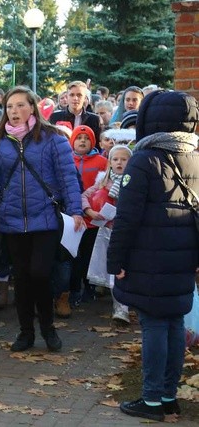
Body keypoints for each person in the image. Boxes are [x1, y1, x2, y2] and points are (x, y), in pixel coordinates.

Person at [108, 91, 199, 422]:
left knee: (154, 325)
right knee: (174, 323)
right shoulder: (195, 157)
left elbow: (126, 218)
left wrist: (114, 262)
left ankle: (151, 400)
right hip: (183, 256)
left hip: (149, 258)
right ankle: (168, 396)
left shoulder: (143, 160)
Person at [0, 87, 84, 353]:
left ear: (33, 108)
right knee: (22, 279)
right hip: (11, 221)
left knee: (40, 273)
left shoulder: (52, 139)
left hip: (45, 219)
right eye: (10, 107)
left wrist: (75, 210)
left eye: (20, 106)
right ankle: (26, 332)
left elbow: (68, 178)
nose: (14, 112)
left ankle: (48, 328)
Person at [82, 144, 132, 323]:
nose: (119, 163)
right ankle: (120, 308)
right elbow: (85, 196)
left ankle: (130, 302)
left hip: (129, 232)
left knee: (130, 268)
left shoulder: (135, 181)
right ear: (109, 162)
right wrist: (89, 211)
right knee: (114, 271)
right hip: (108, 232)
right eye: (115, 159)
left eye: (124, 159)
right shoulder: (102, 181)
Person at [67, 125, 108, 311]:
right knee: (74, 255)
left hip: (93, 217)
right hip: (74, 217)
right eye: (78, 137)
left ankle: (89, 286)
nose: (82, 141)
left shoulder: (101, 161)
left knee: (91, 254)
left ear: (93, 141)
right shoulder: (67, 160)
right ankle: (74, 289)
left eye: (86, 138)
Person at [49, 81, 101, 147]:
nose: (75, 98)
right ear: (67, 97)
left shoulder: (94, 119)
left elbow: (96, 145)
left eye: (79, 95)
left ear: (85, 98)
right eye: (72, 95)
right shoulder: (55, 117)